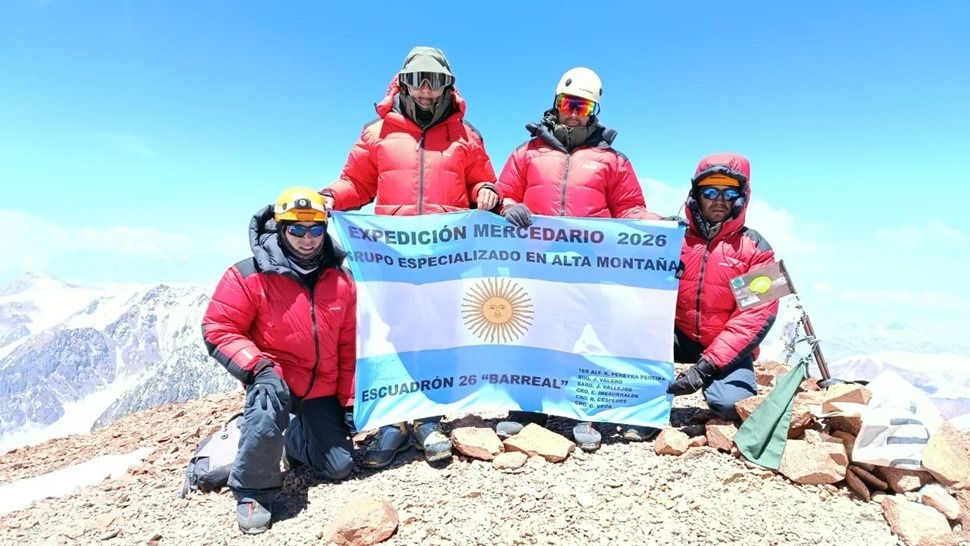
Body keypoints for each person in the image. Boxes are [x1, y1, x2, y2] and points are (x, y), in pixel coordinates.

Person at [320, 46, 500, 468]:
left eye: (435, 81)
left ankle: (427, 420)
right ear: (403, 82)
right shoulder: (377, 133)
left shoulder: (466, 136)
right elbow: (356, 184)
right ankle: (392, 423)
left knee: (437, 335)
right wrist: (330, 197)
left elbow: (482, 181)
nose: (425, 89)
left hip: (446, 259)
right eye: (418, 79)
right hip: (391, 258)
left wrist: (486, 193)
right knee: (392, 334)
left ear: (448, 86)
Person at [495, 66, 659, 451]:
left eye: (582, 107)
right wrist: (508, 206)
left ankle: (583, 409)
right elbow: (504, 192)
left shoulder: (612, 160)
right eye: (568, 103)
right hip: (536, 265)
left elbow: (629, 208)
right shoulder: (526, 153)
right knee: (535, 333)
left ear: (593, 111)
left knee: (587, 337)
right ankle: (529, 408)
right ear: (556, 103)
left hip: (591, 268)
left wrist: (657, 227)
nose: (573, 112)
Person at [202, 186, 356, 534]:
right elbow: (218, 327)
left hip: (321, 388)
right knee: (266, 404)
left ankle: (293, 439)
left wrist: (348, 400)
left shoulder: (341, 280)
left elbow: (348, 345)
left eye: (315, 229)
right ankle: (253, 491)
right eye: (297, 229)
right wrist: (258, 367)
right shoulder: (248, 275)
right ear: (281, 228)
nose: (307, 239)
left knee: (340, 466)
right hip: (275, 377)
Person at [665, 153, 778, 421]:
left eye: (729, 193)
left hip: (725, 343)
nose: (719, 200)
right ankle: (640, 410)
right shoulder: (672, 237)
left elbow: (755, 317)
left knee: (730, 405)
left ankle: (718, 378)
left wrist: (704, 369)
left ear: (741, 198)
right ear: (696, 196)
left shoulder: (758, 249)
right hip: (678, 336)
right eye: (710, 192)